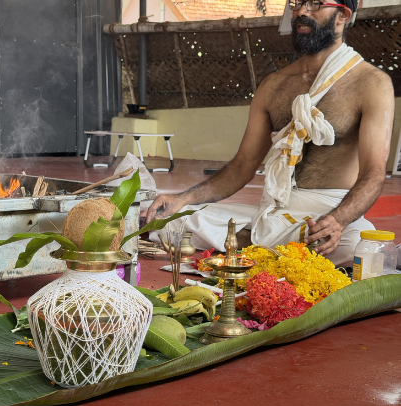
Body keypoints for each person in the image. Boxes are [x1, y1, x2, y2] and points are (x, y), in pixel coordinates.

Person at [146, 0, 395, 265]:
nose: (301, 11)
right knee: (171, 220)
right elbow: (242, 165)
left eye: (314, 3)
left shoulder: (371, 83)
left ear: (342, 15)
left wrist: (338, 221)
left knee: (357, 247)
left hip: (330, 211)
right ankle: (278, 252)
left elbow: (373, 173)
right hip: (274, 210)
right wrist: (183, 198)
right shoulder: (274, 85)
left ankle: (254, 247)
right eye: (297, 3)